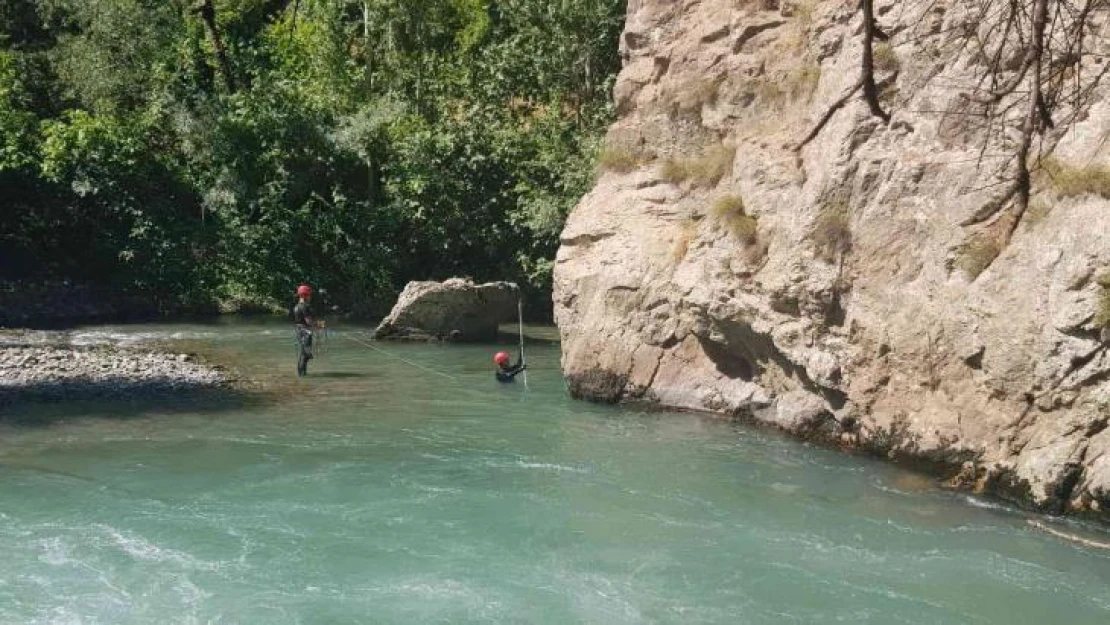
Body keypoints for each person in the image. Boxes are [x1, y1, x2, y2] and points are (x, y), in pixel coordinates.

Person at [293, 284, 320, 377]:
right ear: (304, 295)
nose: (310, 297)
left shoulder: (297, 306)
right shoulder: (305, 306)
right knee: (305, 355)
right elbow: (308, 322)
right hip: (305, 332)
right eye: (309, 295)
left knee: (304, 354)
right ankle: (302, 375)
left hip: (300, 331)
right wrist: (320, 325)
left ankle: (302, 375)